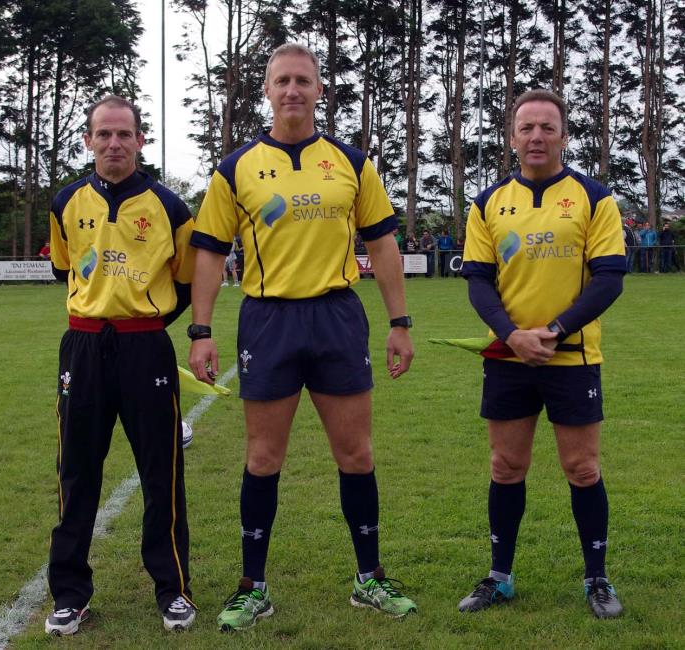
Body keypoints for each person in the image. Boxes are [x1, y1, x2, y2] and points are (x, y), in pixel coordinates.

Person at [188, 43, 417, 632]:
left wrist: (399, 323)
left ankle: (370, 578)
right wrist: (202, 331)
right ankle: (252, 586)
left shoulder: (351, 161)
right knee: (263, 456)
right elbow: (210, 252)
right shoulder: (235, 167)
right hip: (268, 320)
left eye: (304, 81)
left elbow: (383, 243)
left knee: (356, 453)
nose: (293, 90)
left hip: (338, 317)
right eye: (282, 81)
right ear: (266, 90)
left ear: (320, 90)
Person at [459, 89, 626, 619]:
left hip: (572, 356)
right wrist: (513, 335)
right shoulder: (487, 204)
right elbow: (479, 283)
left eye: (547, 128)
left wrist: (551, 331)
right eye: (526, 128)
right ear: (512, 137)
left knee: (582, 468)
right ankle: (499, 576)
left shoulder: (594, 198)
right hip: (509, 357)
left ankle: (596, 578)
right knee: (506, 467)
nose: (536, 137)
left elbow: (610, 279)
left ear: (564, 135)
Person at [45, 95, 196, 635]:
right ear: (88, 140)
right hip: (83, 349)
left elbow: (182, 283)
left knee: (162, 474)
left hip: (145, 348)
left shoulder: (170, 206)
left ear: (140, 140)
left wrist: (145, 324)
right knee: (77, 473)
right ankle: (69, 594)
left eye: (124, 135)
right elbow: (67, 268)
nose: (114, 144)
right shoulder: (66, 201)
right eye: (103, 135)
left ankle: (173, 590)